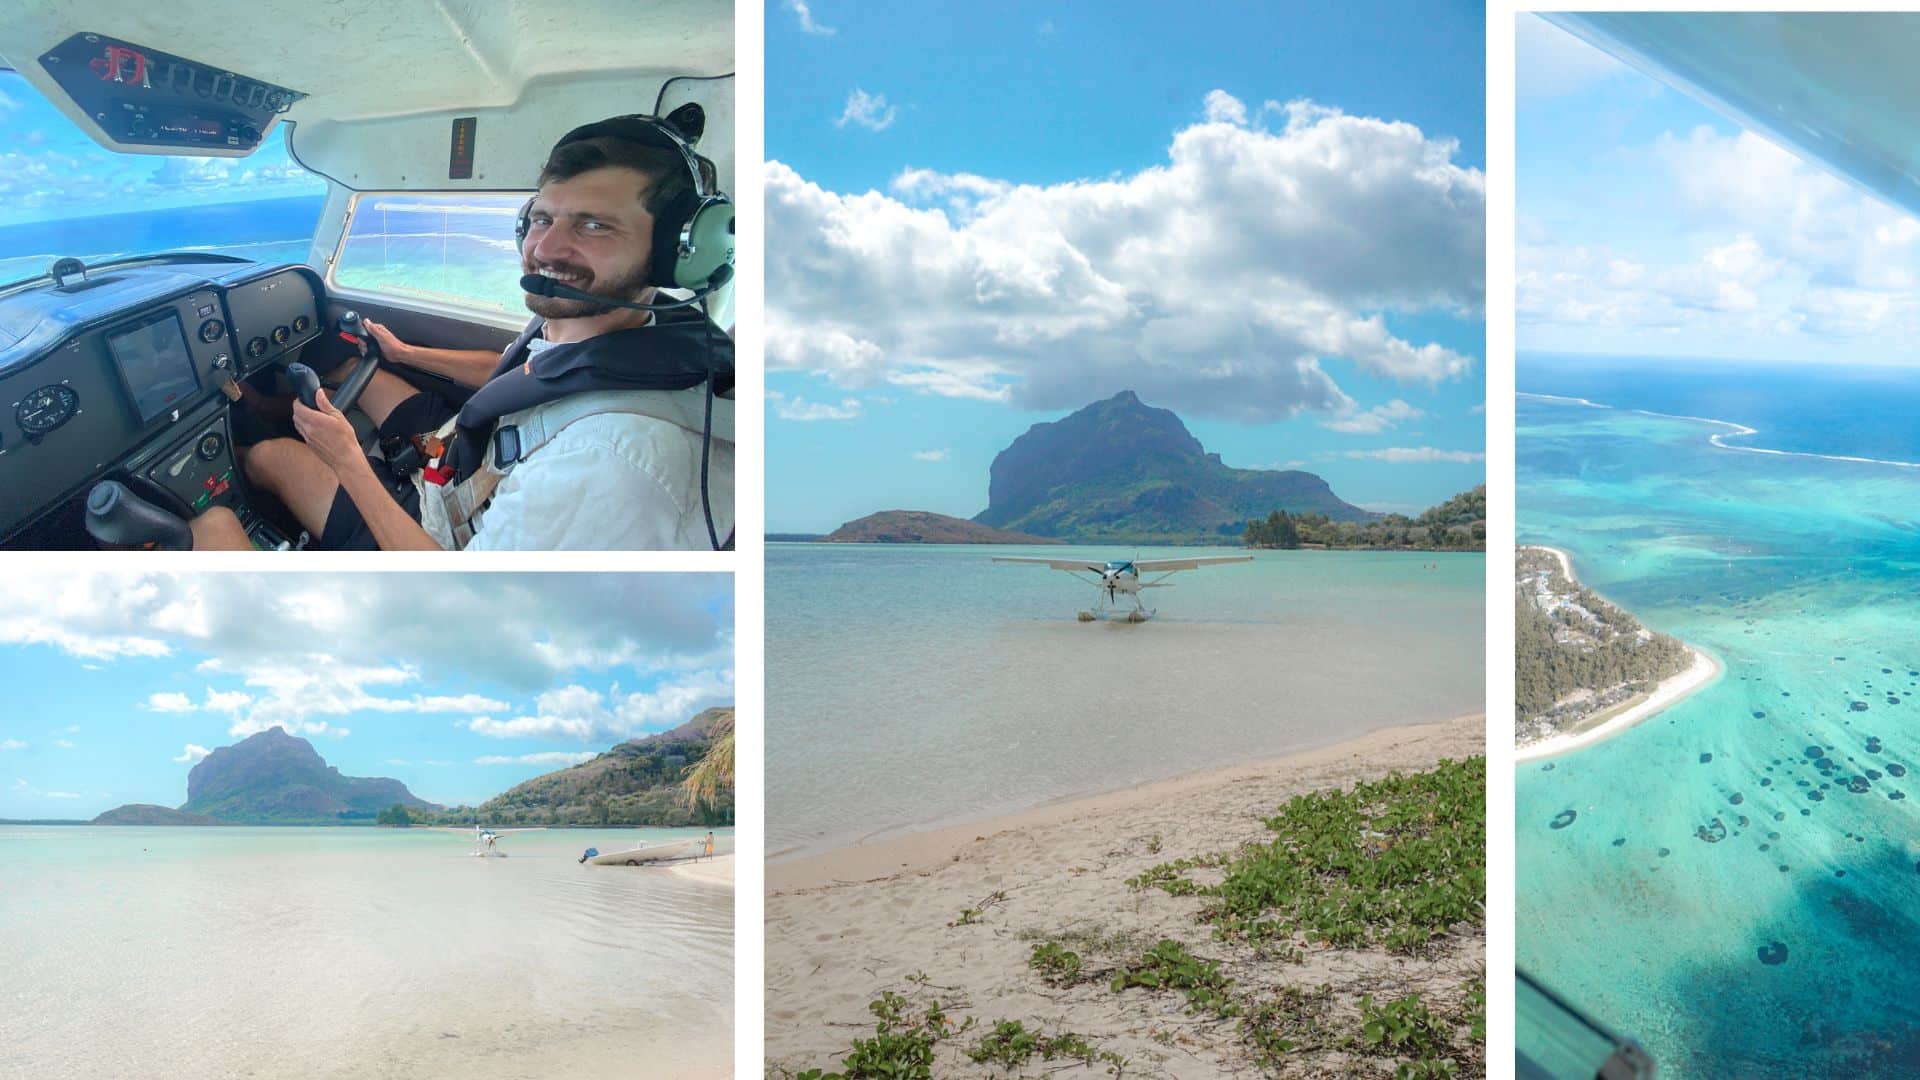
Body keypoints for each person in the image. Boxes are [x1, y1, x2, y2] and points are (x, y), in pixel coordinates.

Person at [198, 113, 734, 550]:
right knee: (349, 370)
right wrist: (404, 351)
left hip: (442, 535)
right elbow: (524, 372)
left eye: (595, 225)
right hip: (468, 462)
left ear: (675, 252)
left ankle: (249, 456)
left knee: (269, 462)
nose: (545, 250)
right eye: (543, 219)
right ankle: (271, 412)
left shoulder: (609, 466)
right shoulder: (625, 320)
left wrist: (348, 461)